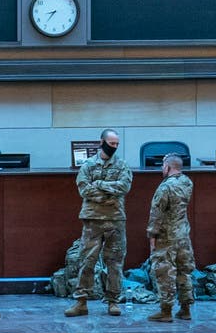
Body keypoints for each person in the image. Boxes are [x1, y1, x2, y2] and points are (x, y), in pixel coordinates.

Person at [67, 129, 132, 316]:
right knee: (87, 261)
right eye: (112, 143)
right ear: (102, 142)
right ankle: (81, 301)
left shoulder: (122, 165)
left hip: (115, 220)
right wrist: (108, 197)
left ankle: (113, 301)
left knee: (115, 263)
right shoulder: (88, 165)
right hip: (92, 220)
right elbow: (84, 190)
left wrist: (100, 185)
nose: (115, 147)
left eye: (117, 144)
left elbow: (124, 187)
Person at [147, 152, 195, 321]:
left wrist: (152, 237)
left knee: (165, 272)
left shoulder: (165, 187)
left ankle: (166, 311)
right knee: (184, 271)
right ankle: (186, 309)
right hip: (183, 235)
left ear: (167, 167)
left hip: (166, 237)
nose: (162, 169)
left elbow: (156, 214)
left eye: (162, 166)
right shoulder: (187, 182)